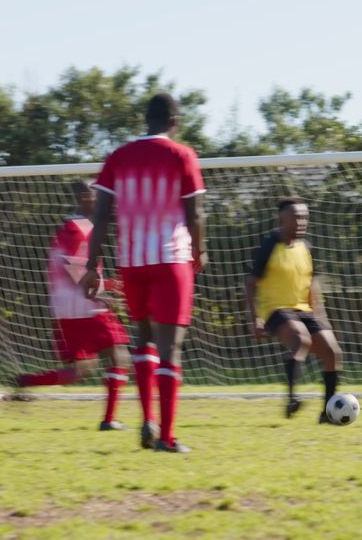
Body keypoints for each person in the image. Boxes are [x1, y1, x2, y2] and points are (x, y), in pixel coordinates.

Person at [81, 93, 207, 453]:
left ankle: (148, 419)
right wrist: (200, 250)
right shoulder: (182, 155)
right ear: (174, 121)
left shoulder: (119, 156)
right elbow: (196, 214)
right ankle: (166, 437)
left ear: (145, 120)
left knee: (144, 341)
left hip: (132, 263)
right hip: (170, 261)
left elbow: (101, 216)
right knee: (170, 349)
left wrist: (92, 267)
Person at [15, 180, 131, 430]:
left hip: (67, 306)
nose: (105, 201)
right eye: (98, 196)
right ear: (83, 197)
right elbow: (74, 269)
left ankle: (26, 381)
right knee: (119, 355)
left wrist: (105, 288)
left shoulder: (75, 226)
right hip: (83, 305)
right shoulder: (78, 227)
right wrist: (108, 288)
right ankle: (109, 420)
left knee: (81, 370)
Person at [246, 198, 344, 423]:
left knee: (333, 352)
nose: (302, 222)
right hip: (275, 309)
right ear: (281, 219)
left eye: (305, 217)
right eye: (296, 217)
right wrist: (255, 318)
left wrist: (320, 316)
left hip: (304, 310)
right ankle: (292, 398)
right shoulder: (268, 246)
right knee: (301, 340)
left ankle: (328, 413)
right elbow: (250, 283)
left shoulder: (306, 247)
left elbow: (312, 283)